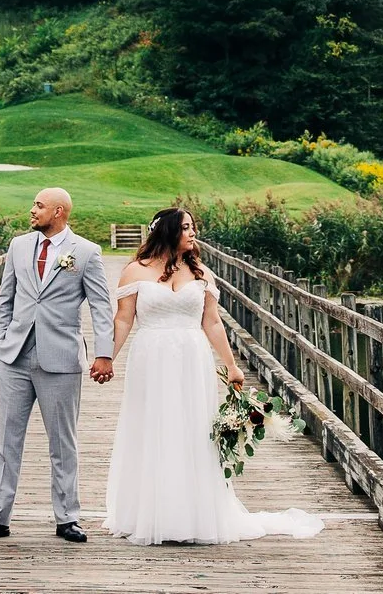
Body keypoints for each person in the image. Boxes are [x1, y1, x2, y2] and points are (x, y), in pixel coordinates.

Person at [104, 206, 325, 545]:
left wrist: (231, 364)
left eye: (193, 227)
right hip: (151, 356)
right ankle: (150, 512)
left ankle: (193, 513)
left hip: (192, 358)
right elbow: (123, 319)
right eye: (186, 228)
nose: (193, 233)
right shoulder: (136, 271)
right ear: (167, 232)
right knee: (152, 426)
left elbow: (211, 322)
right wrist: (107, 358)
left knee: (192, 430)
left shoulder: (201, 272)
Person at [0, 187, 115, 544]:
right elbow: (6, 296)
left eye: (39, 205)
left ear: (59, 212)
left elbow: (101, 306)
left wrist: (104, 353)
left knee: (63, 442)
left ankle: (68, 518)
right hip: (14, 355)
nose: (32, 210)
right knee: (6, 438)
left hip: (60, 358)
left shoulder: (87, 253)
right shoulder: (18, 246)